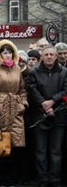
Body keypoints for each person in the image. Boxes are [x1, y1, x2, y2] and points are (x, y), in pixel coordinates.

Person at [0, 39, 28, 187]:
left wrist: (23, 105)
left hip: (15, 109)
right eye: (4, 52)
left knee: (15, 144)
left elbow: (22, 89)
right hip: (0, 108)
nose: (7, 55)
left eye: (10, 52)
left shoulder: (17, 69)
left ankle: (11, 176)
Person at [27, 45, 67, 187]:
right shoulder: (34, 72)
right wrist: (43, 104)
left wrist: (52, 101)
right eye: (46, 54)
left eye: (51, 54)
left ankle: (55, 178)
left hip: (59, 116)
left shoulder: (64, 72)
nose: (49, 57)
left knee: (56, 150)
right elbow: (32, 90)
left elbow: (65, 90)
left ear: (56, 56)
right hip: (39, 116)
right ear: (41, 57)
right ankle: (43, 178)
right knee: (41, 150)